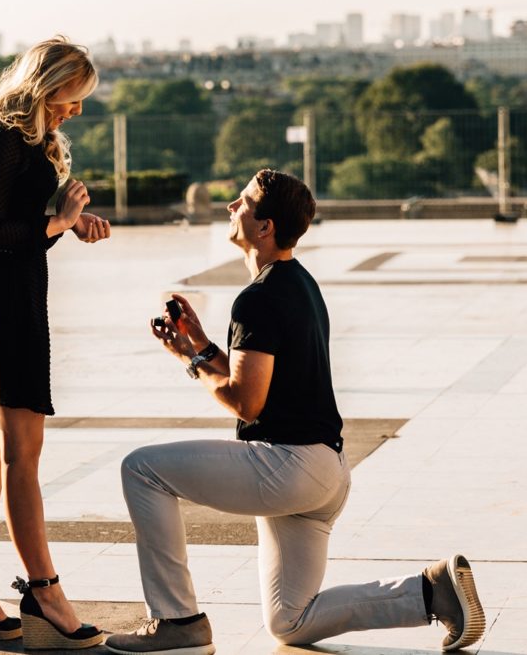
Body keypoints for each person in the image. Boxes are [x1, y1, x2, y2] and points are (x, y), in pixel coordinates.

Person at [105, 169, 485, 654]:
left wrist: (188, 361)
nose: (231, 207)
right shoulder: (298, 284)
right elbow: (258, 377)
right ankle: (433, 591)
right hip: (325, 471)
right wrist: (198, 345)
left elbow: (247, 401)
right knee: (290, 621)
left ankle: (177, 621)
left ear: (265, 227)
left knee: (141, 470)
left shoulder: (257, 299)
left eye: (242, 202)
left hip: (287, 465)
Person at [0, 36, 110, 651]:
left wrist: (64, 221)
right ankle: (43, 590)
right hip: (3, 304)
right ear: (48, 83)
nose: (77, 110)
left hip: (15, 297)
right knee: (21, 455)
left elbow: (21, 229)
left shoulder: (28, 137)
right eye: (73, 97)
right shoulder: (4, 135)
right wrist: (56, 221)